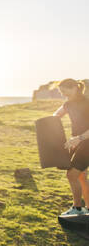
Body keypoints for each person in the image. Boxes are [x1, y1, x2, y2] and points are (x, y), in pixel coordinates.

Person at [54, 79, 89, 216]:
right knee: (81, 176)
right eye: (61, 92)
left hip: (86, 142)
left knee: (72, 174)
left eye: (65, 91)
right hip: (77, 142)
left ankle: (77, 208)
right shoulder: (68, 104)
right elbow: (56, 115)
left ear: (75, 88)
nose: (63, 94)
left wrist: (79, 138)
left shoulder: (87, 102)